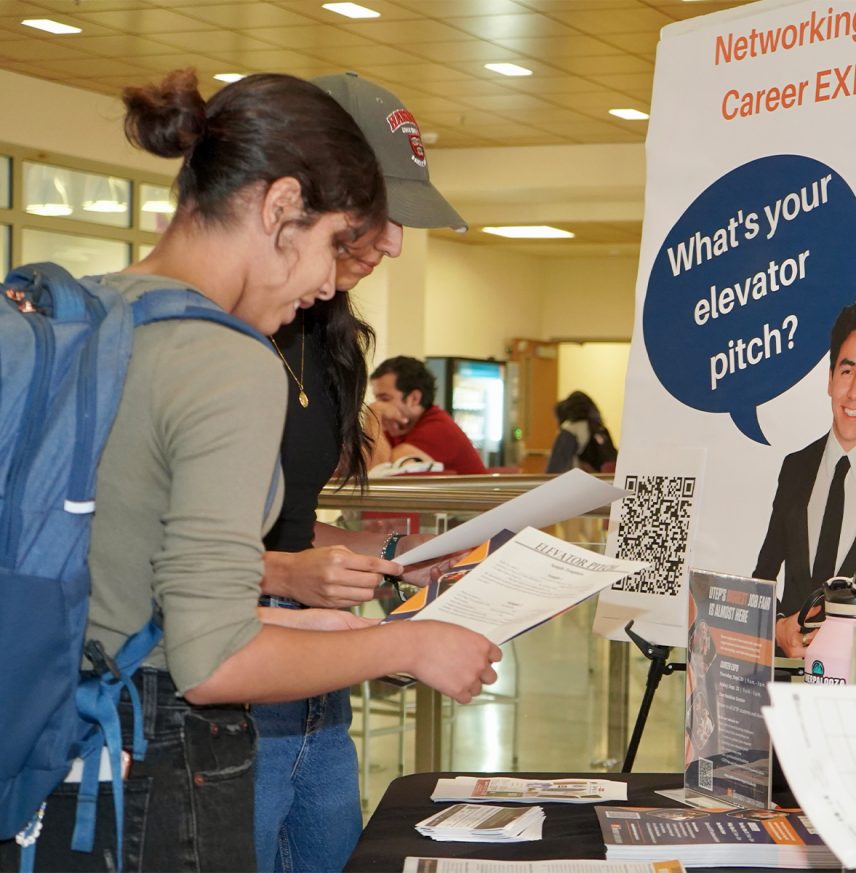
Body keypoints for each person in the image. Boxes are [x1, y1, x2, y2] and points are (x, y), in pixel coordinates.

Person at [0, 69, 500, 873]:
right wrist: (408, 647)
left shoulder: (93, 310)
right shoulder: (229, 359)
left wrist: (324, 620)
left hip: (58, 749)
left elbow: (133, 577)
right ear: (280, 208)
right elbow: (213, 662)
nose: (331, 281)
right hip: (159, 779)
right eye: (337, 242)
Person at [251, 72, 471, 873]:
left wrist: (383, 556)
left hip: (316, 681)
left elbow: (288, 515)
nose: (392, 243)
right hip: (236, 663)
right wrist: (287, 572)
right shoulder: (217, 338)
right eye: (375, 216)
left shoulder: (327, 338)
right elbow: (172, 554)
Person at [754, 292, 856, 660]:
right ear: (830, 379)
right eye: (847, 370)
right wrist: (778, 627)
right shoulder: (795, 469)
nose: (855, 390)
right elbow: (762, 582)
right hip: (787, 682)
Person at [367, 355, 488, 474]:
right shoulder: (397, 428)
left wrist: (373, 416)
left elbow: (380, 474)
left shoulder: (439, 429)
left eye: (384, 399)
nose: (378, 405)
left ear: (414, 398)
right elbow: (358, 466)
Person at [545, 390, 619, 474]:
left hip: (578, 482)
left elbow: (554, 469)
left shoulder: (570, 430)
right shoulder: (600, 429)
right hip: (605, 481)